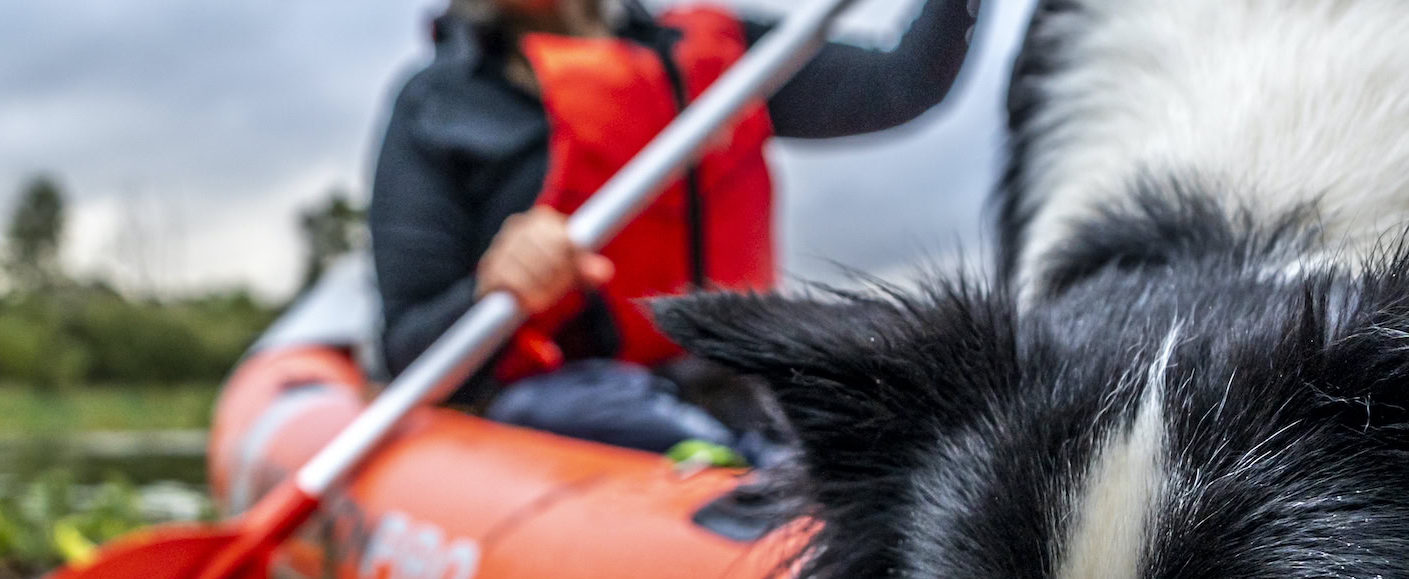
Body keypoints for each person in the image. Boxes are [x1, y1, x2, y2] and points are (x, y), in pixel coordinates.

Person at [369, 0, 979, 458]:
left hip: (738, 372)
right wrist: (494, 289)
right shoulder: (437, 104)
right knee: (609, 410)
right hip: (571, 404)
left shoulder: (718, 53)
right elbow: (410, 351)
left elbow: (907, 83)